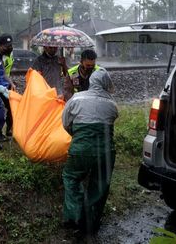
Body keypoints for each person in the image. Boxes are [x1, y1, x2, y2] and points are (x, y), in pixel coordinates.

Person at [61, 68, 118, 234]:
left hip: (81, 148)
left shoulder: (76, 99)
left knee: (71, 177)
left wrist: (78, 136)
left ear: (92, 81)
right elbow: (111, 119)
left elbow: (65, 122)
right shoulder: (112, 104)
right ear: (106, 84)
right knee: (99, 185)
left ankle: (74, 216)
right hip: (106, 152)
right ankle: (91, 222)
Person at [0, 33, 16, 139]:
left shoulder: (10, 53)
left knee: (11, 106)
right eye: (7, 46)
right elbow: (2, 72)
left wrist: (10, 83)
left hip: (6, 83)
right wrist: (11, 83)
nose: (10, 47)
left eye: (11, 45)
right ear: (0, 46)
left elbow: (8, 71)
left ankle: (9, 130)